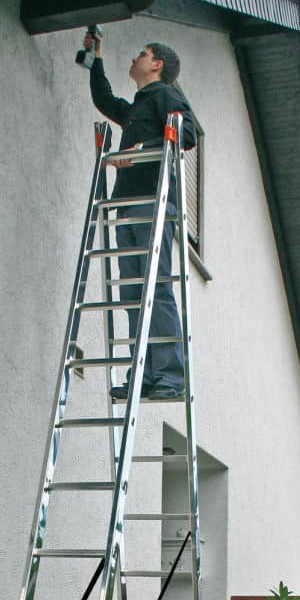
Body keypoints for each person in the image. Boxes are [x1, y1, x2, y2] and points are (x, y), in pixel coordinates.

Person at [83, 31, 197, 400]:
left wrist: (140, 150)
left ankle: (169, 375)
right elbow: (104, 99)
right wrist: (96, 57)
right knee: (133, 292)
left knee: (155, 285)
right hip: (128, 204)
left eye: (142, 54)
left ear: (157, 64)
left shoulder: (165, 95)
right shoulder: (138, 106)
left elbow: (187, 134)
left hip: (152, 200)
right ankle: (144, 375)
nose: (135, 58)